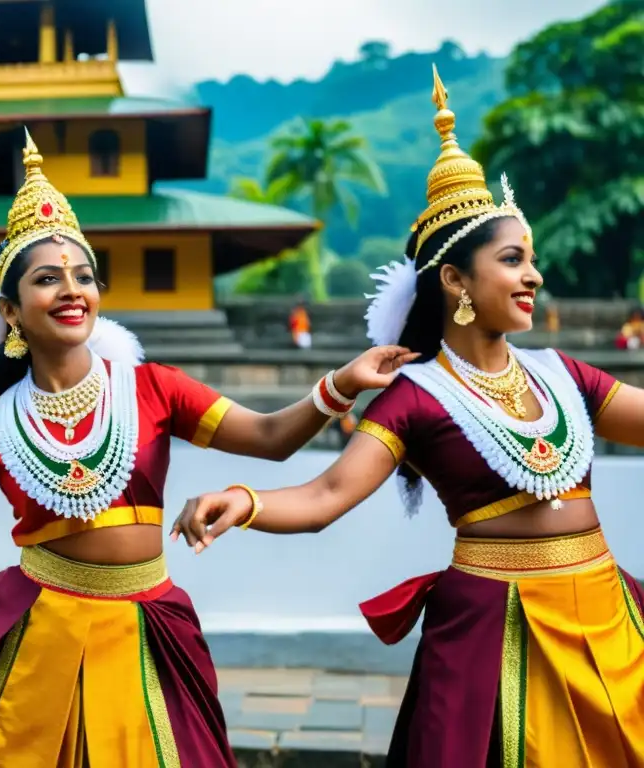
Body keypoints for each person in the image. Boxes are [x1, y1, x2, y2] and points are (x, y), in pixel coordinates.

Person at [0, 130, 416, 767]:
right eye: (47, 279)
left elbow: (268, 439)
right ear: (9, 311)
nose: (71, 290)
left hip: (148, 627)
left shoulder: (154, 388)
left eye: (83, 276)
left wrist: (337, 387)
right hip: (39, 626)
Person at [172, 67, 644, 767]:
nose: (533, 276)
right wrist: (242, 499)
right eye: (512, 260)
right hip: (498, 629)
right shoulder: (415, 396)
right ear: (455, 279)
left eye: (532, 260)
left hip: (607, 613)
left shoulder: (560, 372)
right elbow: (325, 496)